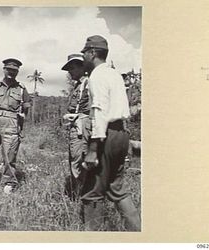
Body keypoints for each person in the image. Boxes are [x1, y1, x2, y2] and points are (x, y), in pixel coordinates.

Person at [80, 35, 141, 231]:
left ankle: (94, 239)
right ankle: (137, 233)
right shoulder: (114, 74)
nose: (83, 58)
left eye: (84, 53)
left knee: (92, 191)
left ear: (92, 53)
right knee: (118, 189)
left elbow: (99, 110)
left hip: (106, 135)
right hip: (122, 134)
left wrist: (92, 149)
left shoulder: (97, 76)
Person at [0, 58, 31, 194]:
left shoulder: (21, 89)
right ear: (4, 70)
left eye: (14, 71)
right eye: (9, 70)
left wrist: (19, 123)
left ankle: (9, 183)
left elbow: (26, 108)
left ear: (17, 72)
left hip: (12, 121)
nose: (11, 73)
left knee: (9, 154)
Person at [61, 54, 90, 200]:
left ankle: (80, 197)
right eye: (69, 69)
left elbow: (92, 108)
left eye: (72, 68)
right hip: (78, 125)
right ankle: (79, 194)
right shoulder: (78, 85)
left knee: (78, 160)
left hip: (82, 126)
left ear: (82, 67)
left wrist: (79, 116)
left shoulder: (88, 83)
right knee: (76, 159)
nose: (70, 72)